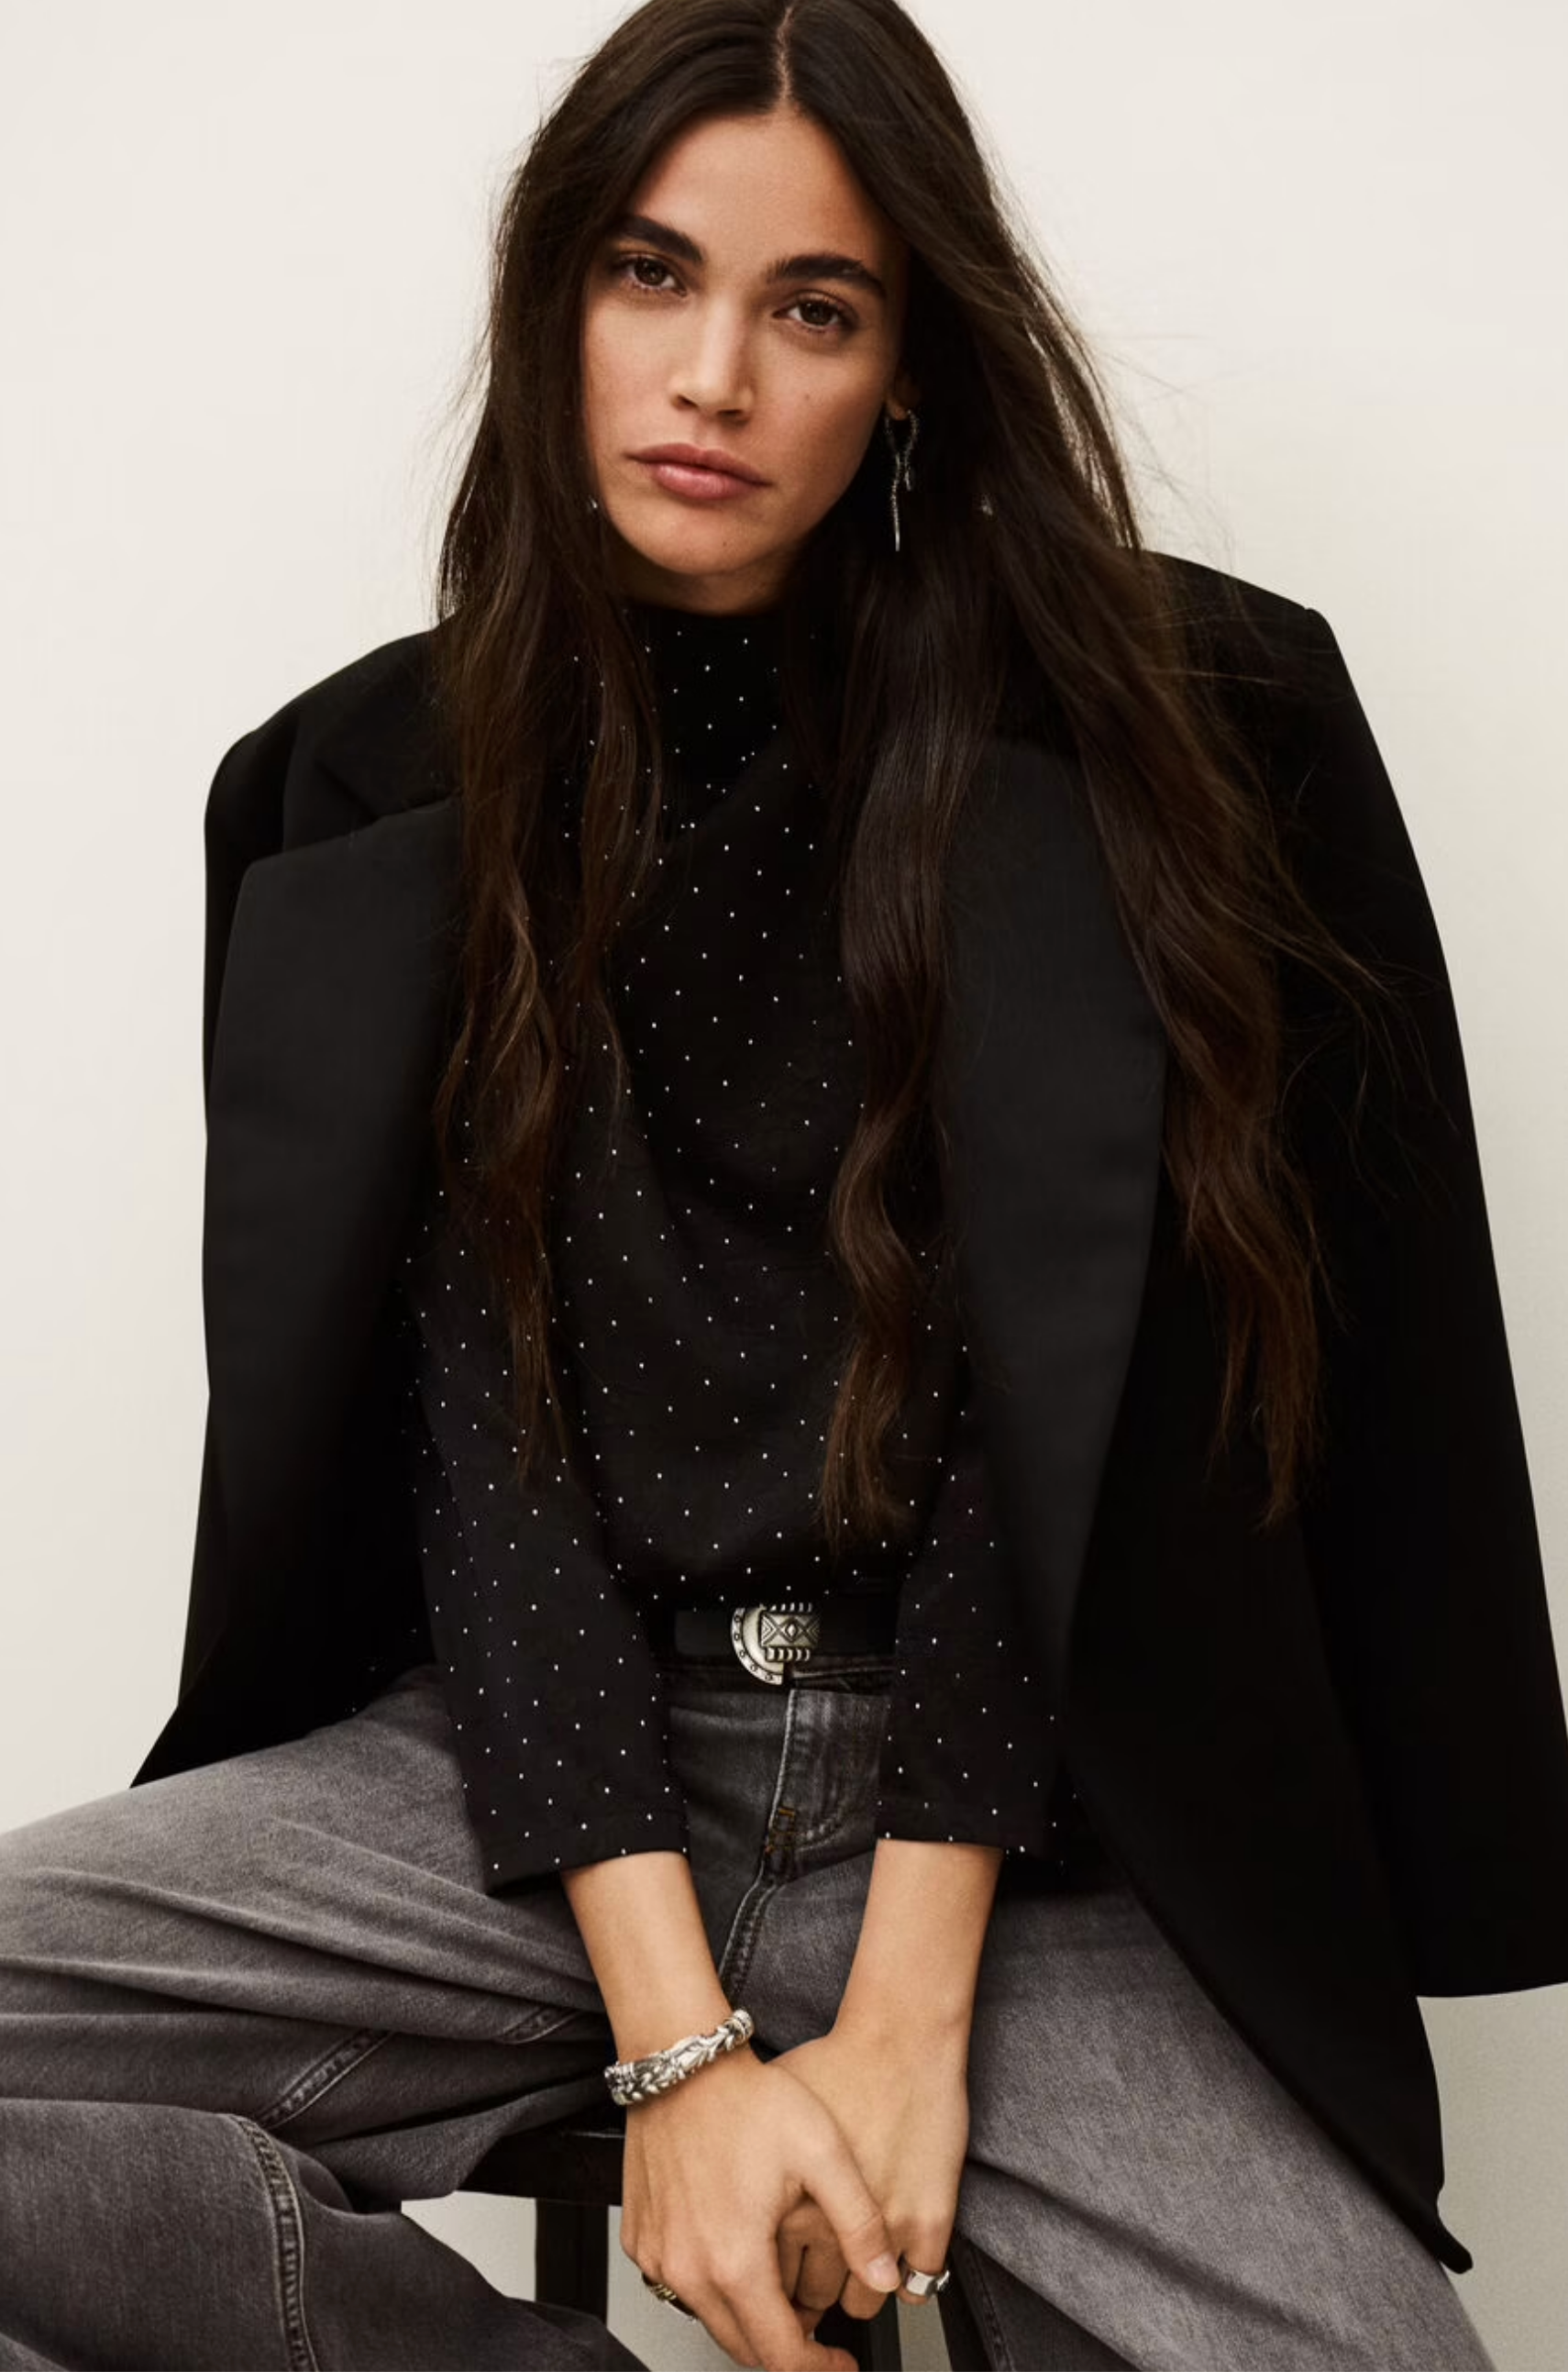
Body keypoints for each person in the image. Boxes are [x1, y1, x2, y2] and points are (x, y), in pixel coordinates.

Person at [3, 0, 1565, 2366]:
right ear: (555, 306)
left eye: (809, 309)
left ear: (913, 364)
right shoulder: (364, 795)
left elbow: (1079, 1419)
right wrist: (678, 2042)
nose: (711, 374)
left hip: (1019, 1824)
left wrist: (906, 2014)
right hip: (539, 1788)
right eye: (649, 276)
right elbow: (481, 1460)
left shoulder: (1174, 743)